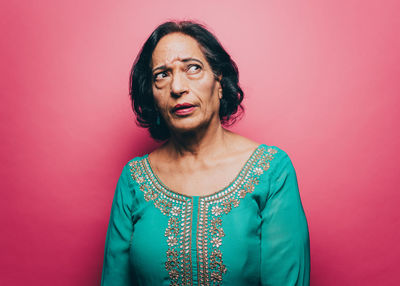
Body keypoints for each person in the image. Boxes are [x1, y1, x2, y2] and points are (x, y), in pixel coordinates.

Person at [101, 20, 310, 286]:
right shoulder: (134, 179)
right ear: (152, 94)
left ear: (219, 81)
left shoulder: (271, 170)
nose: (177, 87)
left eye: (193, 68)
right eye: (161, 75)